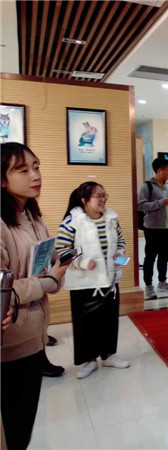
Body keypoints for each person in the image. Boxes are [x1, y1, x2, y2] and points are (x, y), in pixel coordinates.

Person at [1, 142, 68, 449]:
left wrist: (57, 266)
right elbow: (3, 289)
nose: (35, 175)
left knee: (22, 426)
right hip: (9, 346)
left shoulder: (31, 214)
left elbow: (46, 265)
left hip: (33, 336)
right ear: (2, 180)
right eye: (23, 170)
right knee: (12, 430)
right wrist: (47, 282)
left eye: (37, 167)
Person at [56, 182, 130, 379]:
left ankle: (108, 355)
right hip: (84, 283)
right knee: (85, 324)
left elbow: (121, 241)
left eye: (105, 195)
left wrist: (120, 254)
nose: (103, 199)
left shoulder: (111, 218)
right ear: (84, 200)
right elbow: (62, 251)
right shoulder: (72, 222)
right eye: (98, 196)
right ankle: (89, 360)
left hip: (110, 280)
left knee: (109, 319)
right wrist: (82, 262)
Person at [137, 157, 168, 299]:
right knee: (150, 257)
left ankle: (162, 282)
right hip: (152, 228)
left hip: (166, 228)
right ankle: (148, 285)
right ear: (159, 170)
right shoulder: (147, 186)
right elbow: (140, 205)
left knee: (164, 257)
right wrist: (159, 203)